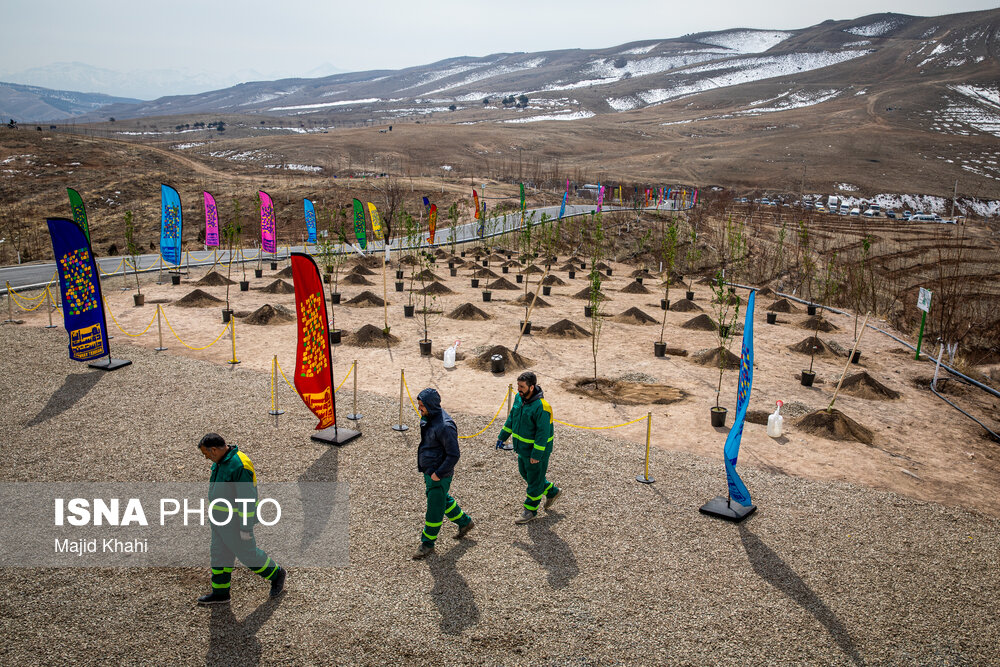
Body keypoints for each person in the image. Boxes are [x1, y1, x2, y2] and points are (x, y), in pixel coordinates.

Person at [196, 433, 286, 605]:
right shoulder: (222, 461)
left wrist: (245, 527)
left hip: (235, 524)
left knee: (248, 555)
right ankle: (221, 593)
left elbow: (247, 499)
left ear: (214, 450)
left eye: (206, 454)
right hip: (219, 522)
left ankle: (276, 573)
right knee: (219, 556)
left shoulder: (240, 465)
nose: (206, 458)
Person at [413, 388, 475, 560]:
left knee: (434, 509)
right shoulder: (430, 417)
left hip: (438, 474)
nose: (419, 409)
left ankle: (427, 543)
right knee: (441, 499)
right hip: (431, 471)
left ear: (431, 406)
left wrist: (438, 474)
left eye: (422, 406)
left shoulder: (445, 426)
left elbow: (454, 454)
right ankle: (465, 522)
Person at [496, 371, 562, 524]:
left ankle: (530, 510)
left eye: (521, 386)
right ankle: (552, 491)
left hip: (536, 453)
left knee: (533, 481)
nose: (518, 389)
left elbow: (542, 434)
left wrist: (537, 455)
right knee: (526, 474)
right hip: (522, 449)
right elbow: (512, 417)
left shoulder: (542, 407)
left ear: (531, 387)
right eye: (518, 385)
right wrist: (502, 436)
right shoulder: (519, 398)